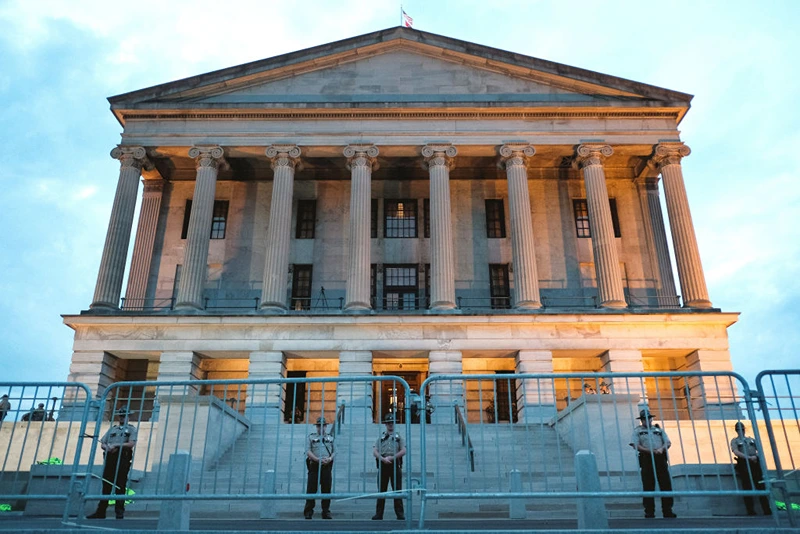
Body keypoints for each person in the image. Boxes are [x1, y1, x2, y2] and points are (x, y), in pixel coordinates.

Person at [87, 408, 138, 520]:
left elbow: (131, 444)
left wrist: (116, 445)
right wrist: (108, 447)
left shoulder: (131, 429)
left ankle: (119, 513)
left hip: (123, 458)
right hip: (110, 457)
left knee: (120, 486)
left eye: (124, 416)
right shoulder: (112, 429)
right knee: (106, 485)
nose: (122, 418)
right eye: (121, 416)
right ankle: (101, 512)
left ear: (128, 417)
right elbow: (103, 443)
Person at [629, 408, 676, 519]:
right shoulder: (638, 431)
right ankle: (649, 511)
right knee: (648, 485)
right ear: (641, 420)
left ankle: (667, 510)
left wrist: (661, 449)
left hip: (660, 457)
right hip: (646, 458)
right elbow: (635, 444)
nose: (647, 421)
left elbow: (668, 442)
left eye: (648, 418)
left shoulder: (658, 430)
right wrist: (649, 451)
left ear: (651, 419)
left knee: (665, 484)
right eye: (644, 419)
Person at [731, 422, 771, 516]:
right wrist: (748, 458)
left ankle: (766, 509)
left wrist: (756, 457)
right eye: (739, 429)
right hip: (744, 463)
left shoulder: (751, 439)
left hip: (755, 462)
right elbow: (736, 451)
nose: (741, 431)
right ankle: (751, 510)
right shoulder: (735, 441)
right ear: (736, 430)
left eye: (742, 429)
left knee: (761, 485)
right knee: (747, 486)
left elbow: (759, 449)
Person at [372, 413, 406, 520]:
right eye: (388, 423)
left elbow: (404, 450)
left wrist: (392, 458)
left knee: (397, 490)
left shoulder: (398, 437)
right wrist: (382, 459)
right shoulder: (381, 437)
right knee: (382, 490)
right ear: (385, 425)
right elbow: (375, 451)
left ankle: (400, 514)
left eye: (392, 423)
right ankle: (379, 514)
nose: (390, 425)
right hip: (383, 464)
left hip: (395, 464)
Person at [304, 416, 335, 520]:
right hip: (314, 466)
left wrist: (330, 459)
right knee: (311, 489)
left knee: (326, 490)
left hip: (326, 466)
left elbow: (335, 451)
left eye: (323, 426)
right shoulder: (311, 437)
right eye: (318, 426)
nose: (321, 428)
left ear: (326, 426)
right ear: (316, 427)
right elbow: (308, 451)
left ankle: (326, 511)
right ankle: (308, 511)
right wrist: (317, 459)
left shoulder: (331, 438)